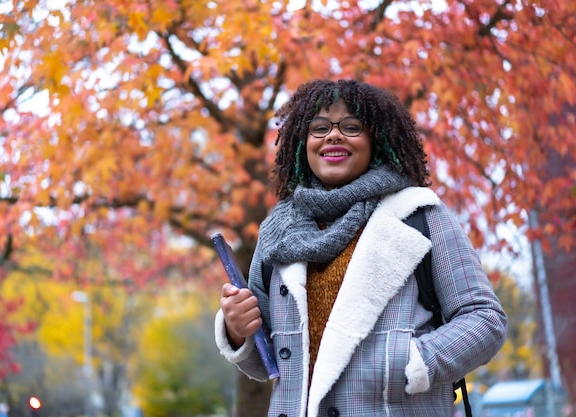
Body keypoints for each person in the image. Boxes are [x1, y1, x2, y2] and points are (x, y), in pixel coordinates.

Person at [215, 79, 507, 417]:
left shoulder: (419, 214)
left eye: (351, 126)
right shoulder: (276, 231)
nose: (333, 135)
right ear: (301, 143)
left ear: (376, 140)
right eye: (319, 127)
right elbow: (268, 364)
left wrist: (413, 362)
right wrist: (238, 331)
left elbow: (485, 320)